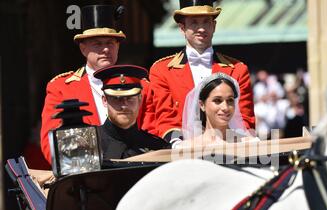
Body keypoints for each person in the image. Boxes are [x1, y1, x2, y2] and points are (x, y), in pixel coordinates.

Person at [141, 0, 255, 147]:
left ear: (214, 26)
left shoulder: (237, 69)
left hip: (228, 150)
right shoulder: (161, 71)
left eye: (206, 22)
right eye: (194, 22)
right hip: (182, 153)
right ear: (182, 28)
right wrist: (180, 144)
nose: (201, 28)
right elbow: (165, 117)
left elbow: (245, 118)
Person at [40, 4, 131, 164]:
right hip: (85, 176)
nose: (105, 49)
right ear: (83, 49)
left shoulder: (139, 84)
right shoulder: (61, 88)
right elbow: (50, 144)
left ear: (118, 46)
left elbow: (151, 129)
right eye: (97, 43)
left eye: (110, 43)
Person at [94, 65, 170, 159]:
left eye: (130, 99)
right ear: (105, 100)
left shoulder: (158, 148)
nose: (124, 106)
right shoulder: (90, 146)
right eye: (117, 99)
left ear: (140, 100)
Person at [181, 72, 257, 147]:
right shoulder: (188, 147)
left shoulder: (250, 144)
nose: (225, 107)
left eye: (230, 100)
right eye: (217, 100)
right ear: (202, 105)